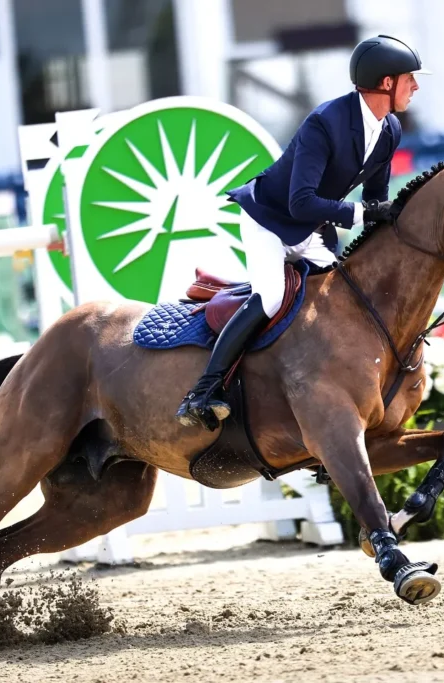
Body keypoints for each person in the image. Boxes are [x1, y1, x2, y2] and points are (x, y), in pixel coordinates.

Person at [176, 34, 430, 430]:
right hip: (270, 220)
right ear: (386, 83)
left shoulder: (389, 129)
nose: (415, 86)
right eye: (409, 78)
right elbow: (301, 202)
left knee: (347, 297)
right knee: (271, 298)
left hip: (311, 230)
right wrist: (363, 213)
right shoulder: (325, 123)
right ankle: (204, 390)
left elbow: (376, 199)